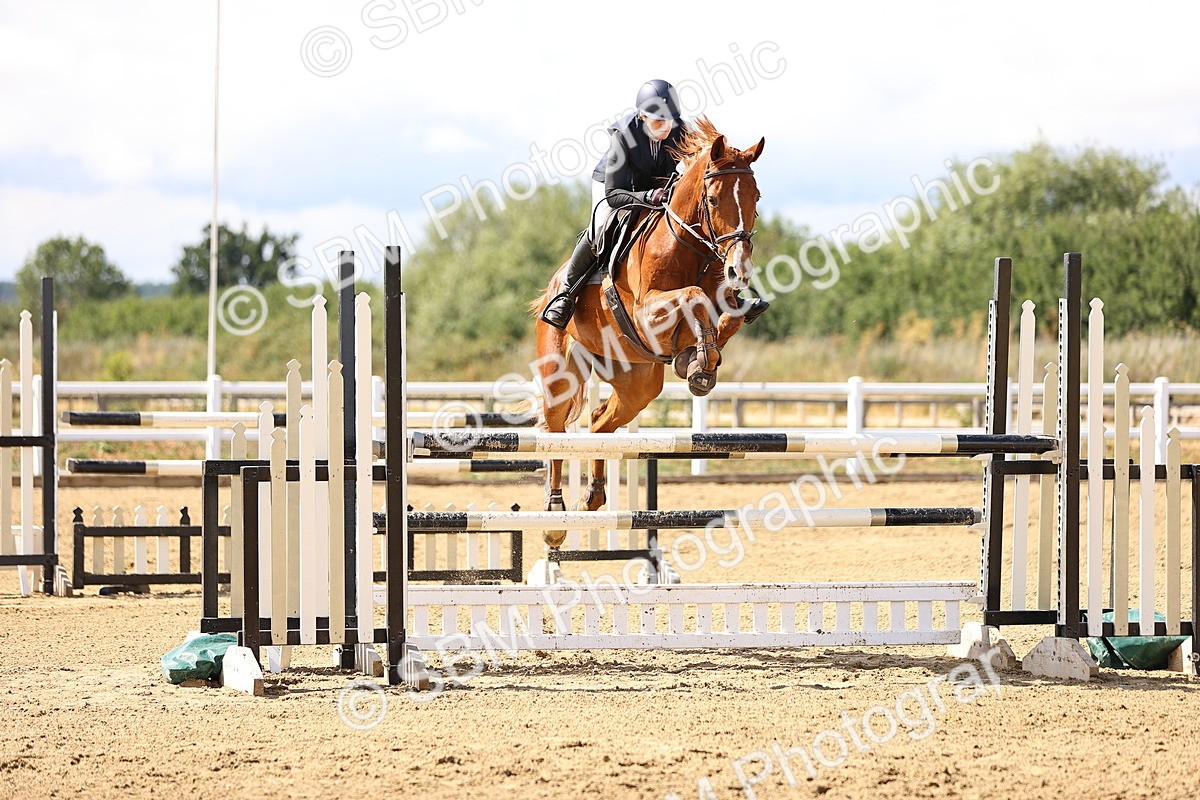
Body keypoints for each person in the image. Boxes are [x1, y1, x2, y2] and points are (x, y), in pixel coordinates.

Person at [539, 79, 768, 330]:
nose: (665, 127)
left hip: (658, 186)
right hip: (616, 186)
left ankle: (732, 296)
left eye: (669, 121)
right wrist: (648, 197)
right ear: (642, 116)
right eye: (658, 122)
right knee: (599, 229)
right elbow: (615, 194)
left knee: (703, 224)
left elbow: (711, 165)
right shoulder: (624, 137)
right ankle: (566, 294)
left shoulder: (678, 129)